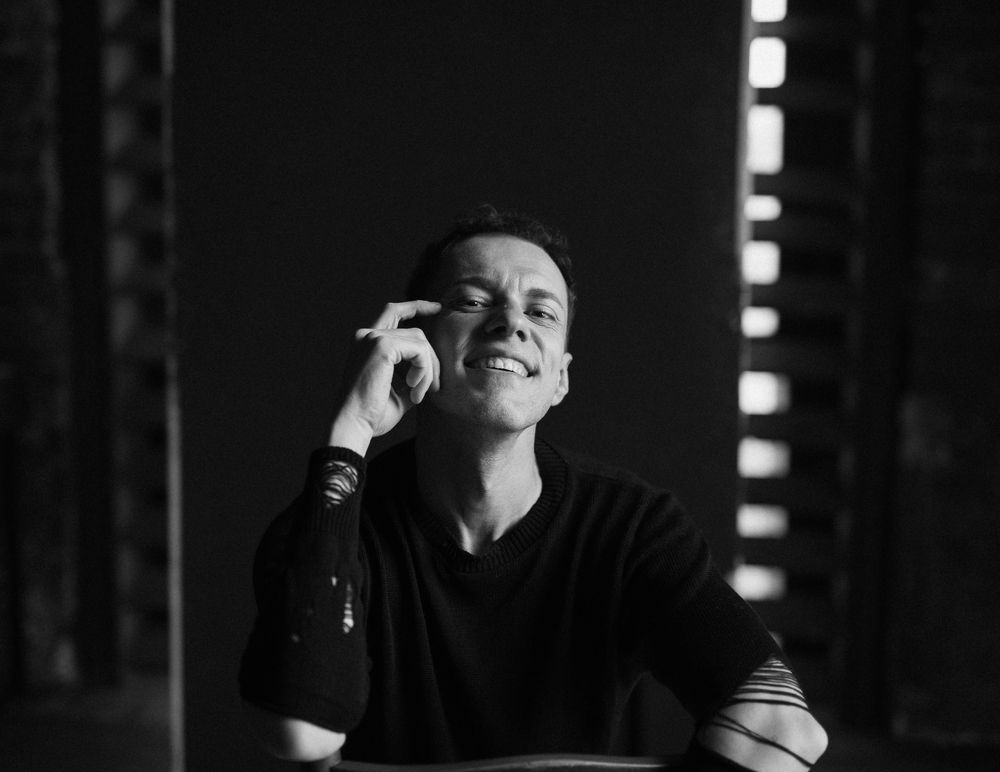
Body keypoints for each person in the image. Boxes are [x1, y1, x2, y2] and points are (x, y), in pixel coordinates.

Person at [239, 206, 828, 770]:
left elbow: (786, 732)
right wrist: (351, 430)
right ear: (412, 342)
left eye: (541, 313)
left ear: (560, 379)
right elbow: (302, 732)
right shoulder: (330, 524)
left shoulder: (631, 529)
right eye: (473, 301)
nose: (511, 323)